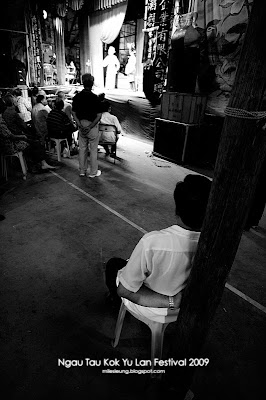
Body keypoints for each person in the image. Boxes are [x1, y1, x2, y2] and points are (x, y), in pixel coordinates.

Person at [105, 174, 212, 317]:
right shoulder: (213, 245)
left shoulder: (153, 242)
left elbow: (124, 291)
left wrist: (171, 301)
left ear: (177, 211)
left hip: (154, 305)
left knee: (113, 265)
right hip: (185, 304)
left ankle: (115, 303)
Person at [0, 100, 55, 171]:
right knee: (36, 142)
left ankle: (42, 162)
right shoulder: (9, 115)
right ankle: (41, 164)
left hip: (8, 142)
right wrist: (22, 136)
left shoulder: (5, 114)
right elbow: (11, 135)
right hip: (10, 145)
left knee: (32, 140)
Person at [72, 73, 102, 178]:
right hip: (92, 126)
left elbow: (74, 113)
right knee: (93, 150)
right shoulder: (95, 98)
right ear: (92, 84)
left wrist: (79, 124)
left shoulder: (77, 97)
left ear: (83, 83)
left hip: (81, 125)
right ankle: (93, 172)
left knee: (82, 149)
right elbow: (99, 115)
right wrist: (90, 126)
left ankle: (82, 171)